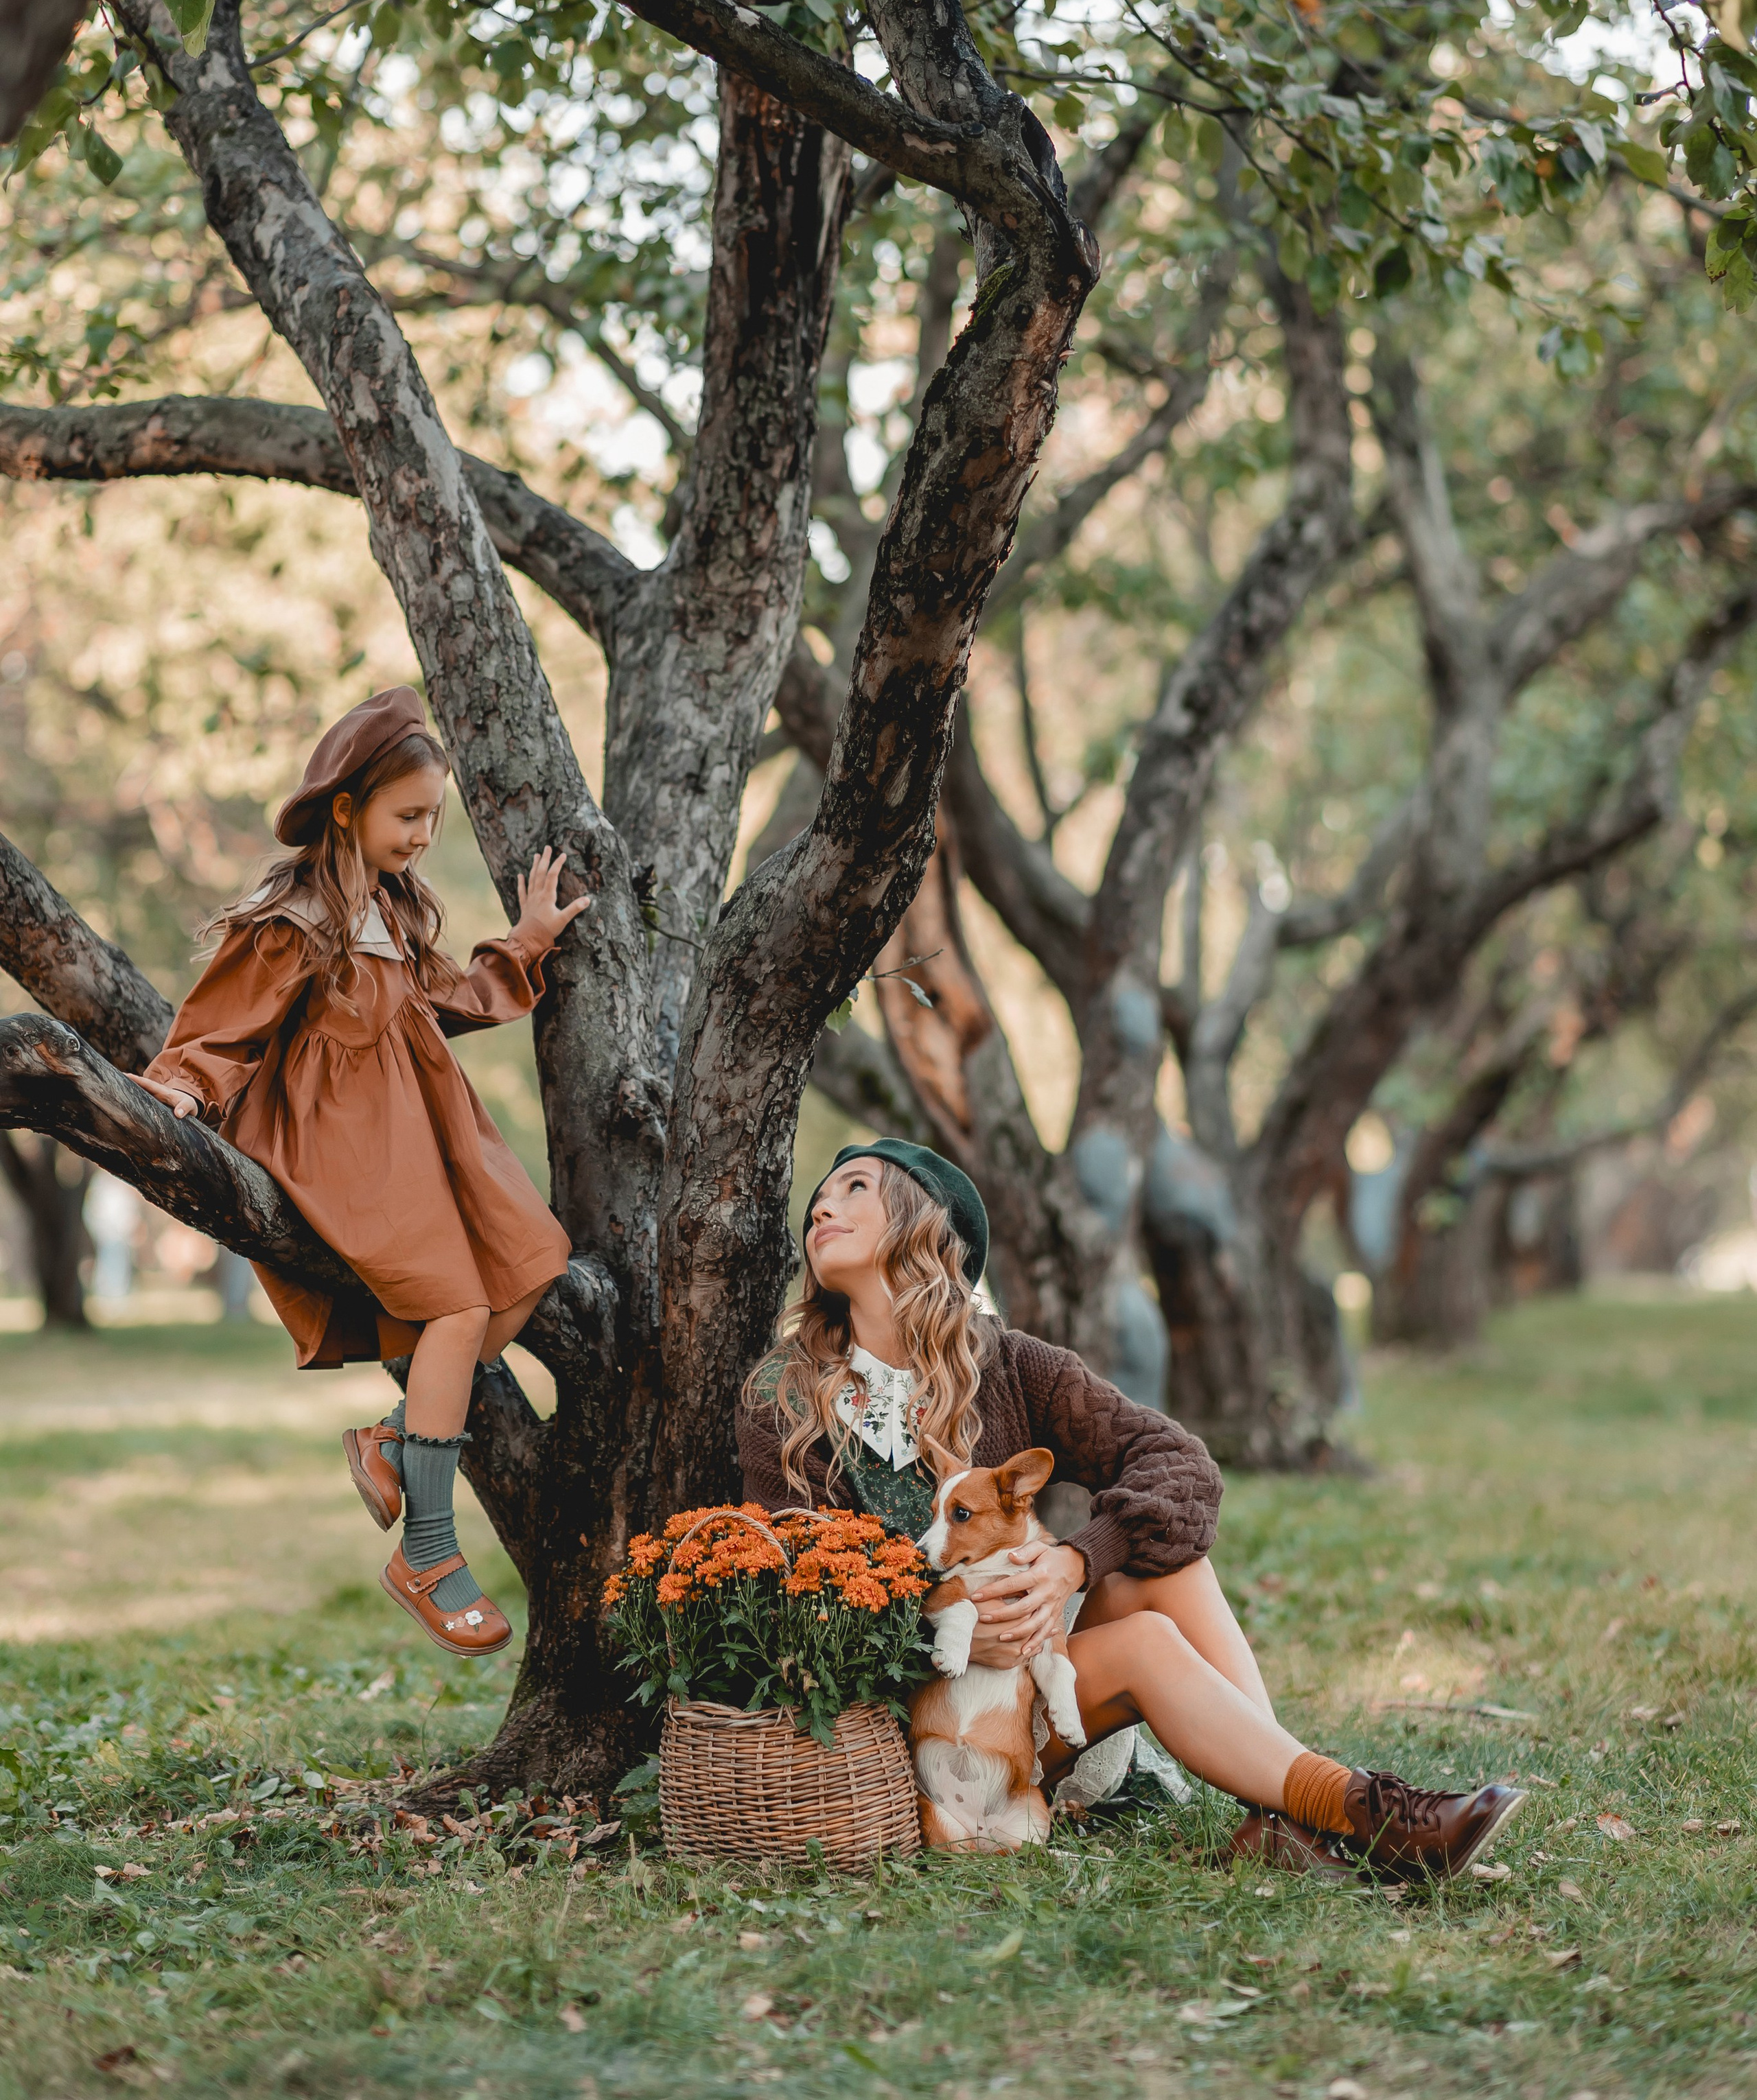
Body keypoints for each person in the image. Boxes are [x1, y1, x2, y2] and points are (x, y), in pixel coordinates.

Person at [738, 1139, 1525, 1878]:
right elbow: (792, 1581)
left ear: (923, 1228)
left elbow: (1180, 1466)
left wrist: (1075, 1560)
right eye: (818, 1201)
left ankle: (1299, 1816)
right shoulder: (788, 1396)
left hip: (1025, 1703)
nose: (821, 1209)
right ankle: (1364, 1813)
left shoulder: (1010, 1365)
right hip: (914, 1723)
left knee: (1160, 1561)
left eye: (854, 1189)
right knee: (1145, 1640)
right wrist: (949, 1603)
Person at [135, 687, 585, 1657]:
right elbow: (220, 1027)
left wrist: (529, 942)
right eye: (408, 815)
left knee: (531, 1259)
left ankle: (392, 1438)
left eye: (433, 817)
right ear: (347, 807)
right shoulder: (296, 920)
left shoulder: (393, 908)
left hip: (425, 1143)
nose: (424, 835)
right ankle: (426, 1548)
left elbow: (450, 1001)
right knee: (459, 1311)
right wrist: (177, 1087)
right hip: (342, 1151)